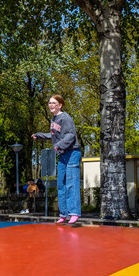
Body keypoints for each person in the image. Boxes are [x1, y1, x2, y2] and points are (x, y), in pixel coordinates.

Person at [32, 94, 81, 224]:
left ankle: (74, 213)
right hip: (63, 154)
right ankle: (63, 213)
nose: (51, 105)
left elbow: (70, 136)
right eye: (49, 103)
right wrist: (39, 135)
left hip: (72, 153)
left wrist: (58, 146)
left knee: (71, 183)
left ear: (60, 105)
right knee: (61, 184)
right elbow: (53, 135)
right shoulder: (54, 120)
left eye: (54, 103)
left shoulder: (66, 118)